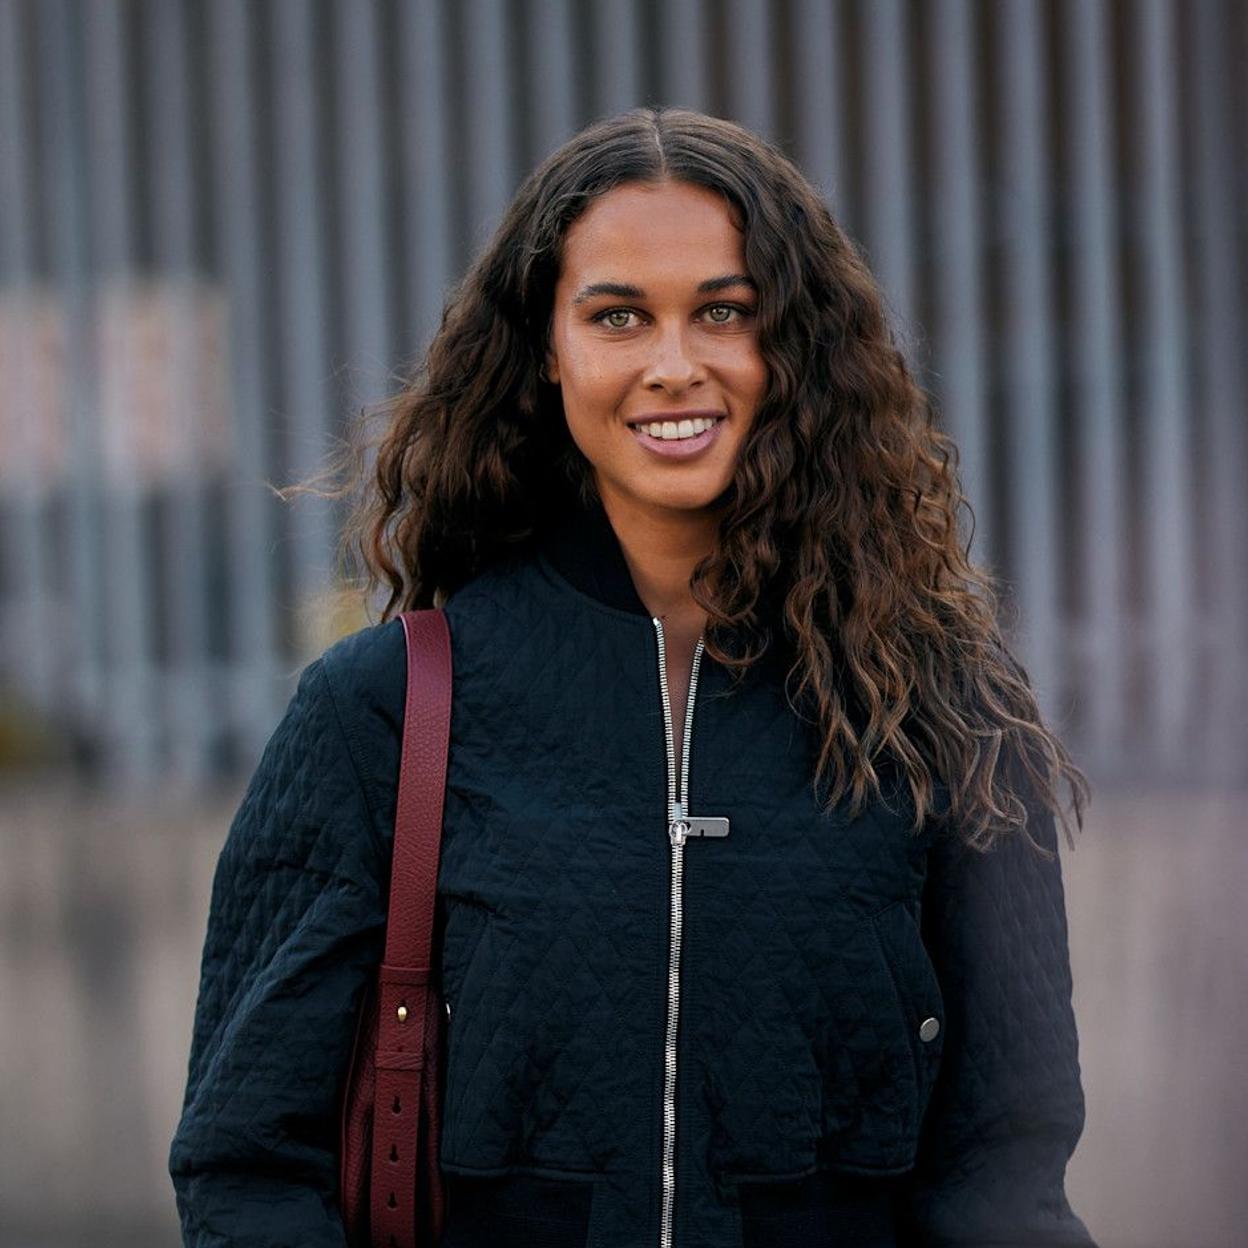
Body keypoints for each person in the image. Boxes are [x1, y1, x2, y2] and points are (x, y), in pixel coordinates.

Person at [168, 106, 1098, 1248]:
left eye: (723, 312)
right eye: (619, 316)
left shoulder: (942, 714)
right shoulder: (382, 714)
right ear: (546, 350)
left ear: (795, 348)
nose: (674, 364)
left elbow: (1007, 1174)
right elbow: (245, 1165)